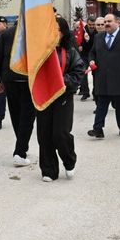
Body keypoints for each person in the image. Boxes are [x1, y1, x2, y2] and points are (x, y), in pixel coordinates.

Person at [36, 18, 84, 182]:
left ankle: (69, 160)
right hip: (43, 97)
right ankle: (49, 170)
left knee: (60, 134)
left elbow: (78, 74)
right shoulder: (39, 51)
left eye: (57, 29)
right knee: (44, 135)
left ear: (63, 32)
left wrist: (60, 81)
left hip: (63, 97)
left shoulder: (70, 51)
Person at [0, 21, 35, 165]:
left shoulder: (6, 34)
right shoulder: (36, 33)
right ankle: (20, 151)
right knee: (27, 117)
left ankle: (21, 146)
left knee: (17, 114)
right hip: (28, 80)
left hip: (10, 79)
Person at [77, 17, 96, 100]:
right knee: (83, 73)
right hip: (84, 55)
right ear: (87, 24)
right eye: (90, 24)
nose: (91, 26)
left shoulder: (98, 31)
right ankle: (85, 92)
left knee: (95, 75)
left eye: (93, 25)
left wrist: (89, 40)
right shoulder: (83, 30)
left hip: (95, 55)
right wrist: (80, 45)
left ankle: (95, 93)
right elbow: (78, 40)